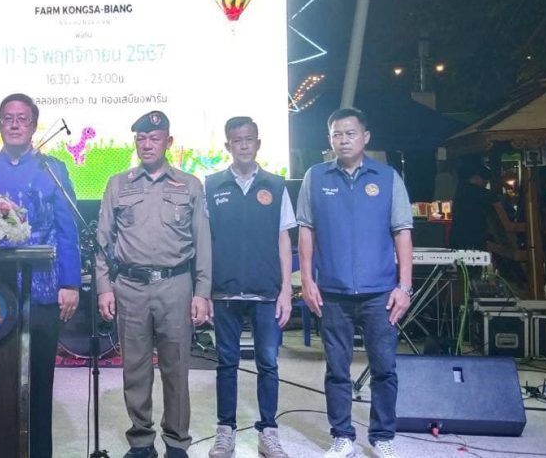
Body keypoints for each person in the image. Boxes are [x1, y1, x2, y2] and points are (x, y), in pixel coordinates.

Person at [0, 92, 80, 458]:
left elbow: (67, 229)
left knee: (40, 378)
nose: (15, 125)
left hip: (44, 286)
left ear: (34, 125)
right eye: (8, 118)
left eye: (22, 119)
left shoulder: (53, 168)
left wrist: (70, 282)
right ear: (0, 125)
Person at [297, 108, 413, 458]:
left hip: (381, 294)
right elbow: (306, 230)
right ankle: (342, 436)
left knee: (384, 368)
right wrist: (307, 280)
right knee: (336, 369)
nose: (343, 140)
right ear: (329, 139)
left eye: (350, 133)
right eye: (336, 134)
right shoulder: (315, 177)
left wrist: (404, 287)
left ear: (365, 137)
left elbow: (402, 232)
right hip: (333, 293)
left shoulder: (388, 177)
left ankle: (382, 436)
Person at [96, 110, 212, 458]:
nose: (147, 144)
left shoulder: (190, 185)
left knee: (176, 368)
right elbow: (103, 241)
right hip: (130, 287)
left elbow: (203, 242)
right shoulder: (118, 184)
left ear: (168, 142)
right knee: (135, 369)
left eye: (154, 138)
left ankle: (176, 442)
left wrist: (202, 292)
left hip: (176, 286)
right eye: (141, 139)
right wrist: (103, 286)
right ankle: (141, 441)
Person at [205, 117, 293, 458]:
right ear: (227, 146)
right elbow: (205, 241)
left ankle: (268, 431)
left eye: (249, 139)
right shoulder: (212, 185)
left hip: (266, 293)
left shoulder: (276, 185)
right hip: (223, 291)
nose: (243, 145)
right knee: (226, 363)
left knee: (268, 363)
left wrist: (286, 291)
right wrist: (203, 291)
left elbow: (283, 240)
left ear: (258, 143)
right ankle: (225, 431)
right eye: (237, 140)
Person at [448, 161, 495, 250]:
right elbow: (493, 199)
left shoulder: (461, 189)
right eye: (484, 181)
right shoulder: (476, 192)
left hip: (459, 239)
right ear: (476, 177)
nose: (485, 184)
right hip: (472, 240)